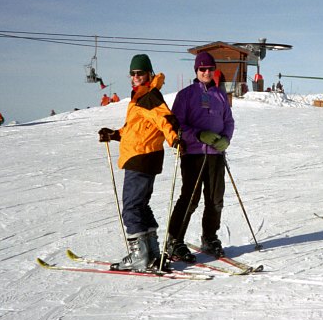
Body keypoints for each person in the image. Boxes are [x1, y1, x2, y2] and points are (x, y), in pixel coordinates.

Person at [97, 54, 181, 271]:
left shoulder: (148, 96)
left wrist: (175, 139)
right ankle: (152, 252)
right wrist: (115, 134)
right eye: (133, 73)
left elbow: (166, 119)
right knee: (140, 206)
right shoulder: (140, 96)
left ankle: (139, 257)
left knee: (131, 208)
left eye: (140, 73)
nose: (136, 77)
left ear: (149, 74)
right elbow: (135, 129)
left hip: (140, 157)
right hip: (142, 155)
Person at [166, 51, 235, 260]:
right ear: (196, 70)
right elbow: (176, 124)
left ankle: (210, 237)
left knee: (215, 199)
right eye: (202, 69)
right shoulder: (186, 95)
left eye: (209, 69)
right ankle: (174, 240)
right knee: (190, 198)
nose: (206, 72)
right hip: (193, 154)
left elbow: (229, 121)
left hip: (215, 154)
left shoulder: (220, 95)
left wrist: (226, 138)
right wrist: (197, 134)